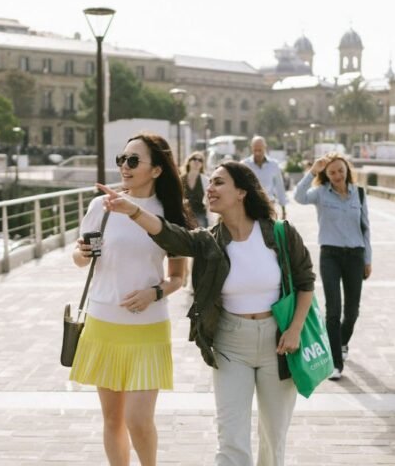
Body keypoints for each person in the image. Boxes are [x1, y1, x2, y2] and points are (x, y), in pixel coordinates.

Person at [96, 161, 315, 466]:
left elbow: (305, 283)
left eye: (219, 182)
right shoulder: (208, 241)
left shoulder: (280, 234)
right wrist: (133, 210)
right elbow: (170, 234)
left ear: (241, 191)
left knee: (273, 437)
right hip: (230, 343)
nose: (209, 188)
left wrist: (294, 329)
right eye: (209, 182)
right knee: (231, 439)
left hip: (278, 343)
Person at [70, 134, 190, 466]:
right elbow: (81, 260)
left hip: (148, 328)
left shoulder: (169, 214)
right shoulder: (101, 207)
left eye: (134, 161)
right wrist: (80, 253)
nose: (125, 166)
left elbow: (179, 277)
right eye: (122, 159)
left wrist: (154, 292)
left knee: (138, 421)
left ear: (156, 170)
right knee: (112, 420)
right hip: (103, 325)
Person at [293, 152, 371, 381]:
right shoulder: (320, 194)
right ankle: (335, 362)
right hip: (330, 255)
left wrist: (368, 259)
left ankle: (342, 342)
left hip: (356, 255)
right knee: (333, 309)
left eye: (340, 170)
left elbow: (366, 228)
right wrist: (313, 171)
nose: (337, 175)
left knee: (352, 311)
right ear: (326, 175)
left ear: (347, 170)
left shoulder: (360, 193)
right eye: (332, 172)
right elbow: (298, 196)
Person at [242, 136, 288, 219]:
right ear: (251, 148)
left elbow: (279, 187)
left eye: (260, 150)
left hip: (269, 206)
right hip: (250, 206)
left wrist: (283, 210)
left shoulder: (274, 165)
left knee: (269, 231)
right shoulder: (245, 165)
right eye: (255, 150)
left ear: (265, 148)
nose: (257, 153)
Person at [181, 151, 210, 227]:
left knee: (201, 238)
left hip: (201, 215)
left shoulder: (206, 180)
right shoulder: (180, 179)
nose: (197, 161)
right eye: (194, 159)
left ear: (202, 164)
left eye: (200, 160)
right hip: (183, 216)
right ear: (189, 161)